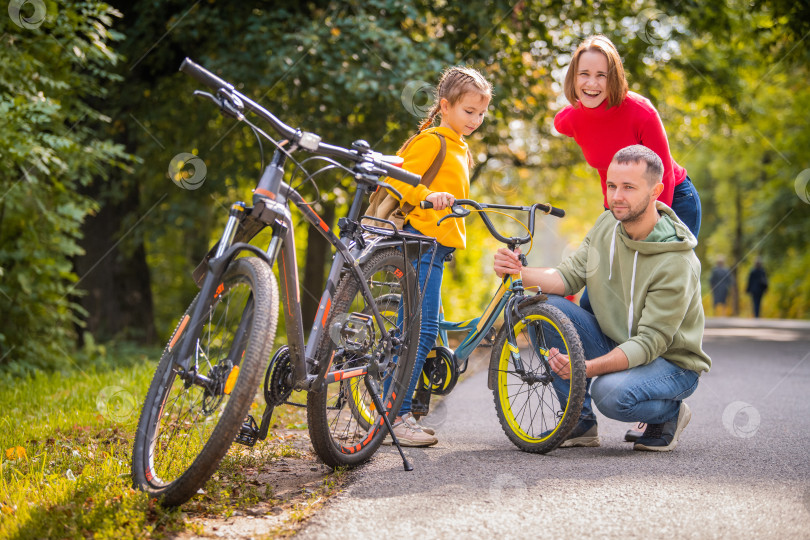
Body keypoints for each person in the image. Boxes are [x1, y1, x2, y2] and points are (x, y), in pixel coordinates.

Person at [493, 145, 711, 452]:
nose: (616, 196)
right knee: (543, 310)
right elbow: (566, 276)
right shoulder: (607, 225)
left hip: (670, 362)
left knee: (610, 394)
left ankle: (670, 414)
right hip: (617, 340)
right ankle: (579, 423)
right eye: (612, 186)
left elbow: (649, 343)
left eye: (628, 187)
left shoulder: (676, 261)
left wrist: (582, 367)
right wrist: (517, 272)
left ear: (655, 191)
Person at [383, 66, 493, 447]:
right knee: (421, 329)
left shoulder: (461, 147)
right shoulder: (433, 140)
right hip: (420, 242)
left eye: (481, 114)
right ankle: (394, 417)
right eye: (468, 112)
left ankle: (396, 408)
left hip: (436, 248)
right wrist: (426, 196)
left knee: (421, 327)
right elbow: (397, 179)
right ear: (445, 106)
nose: (476, 120)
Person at [554, 35, 702, 239]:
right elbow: (564, 122)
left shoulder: (642, 113)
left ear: (613, 78)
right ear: (574, 77)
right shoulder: (569, 120)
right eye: (584, 74)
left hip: (672, 199)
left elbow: (664, 174)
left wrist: (657, 223)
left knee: (662, 268)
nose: (591, 83)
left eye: (601, 75)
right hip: (621, 205)